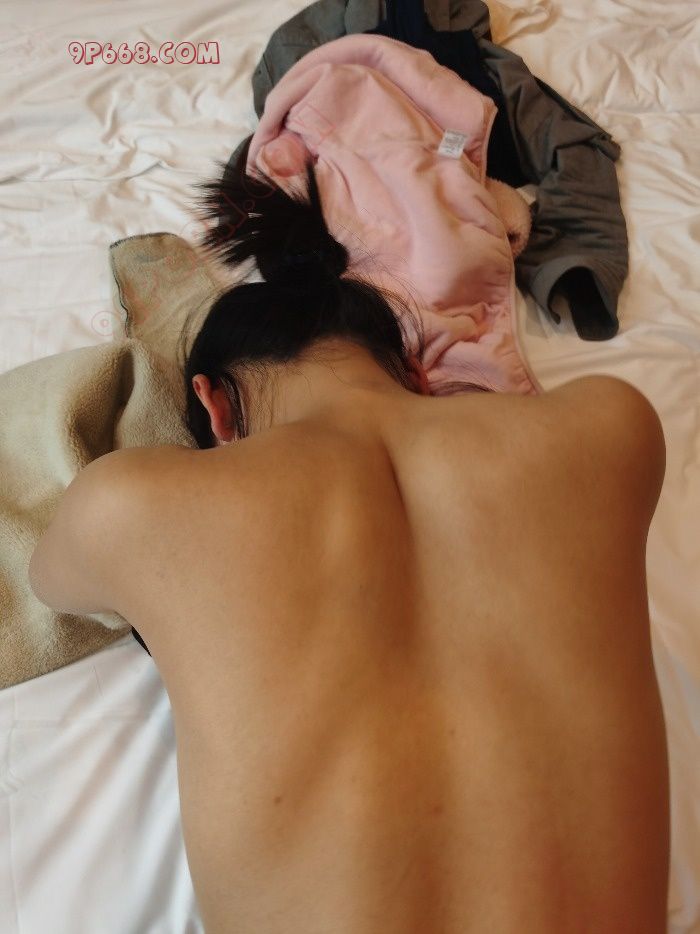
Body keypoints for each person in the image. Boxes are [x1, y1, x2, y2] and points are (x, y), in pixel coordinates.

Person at [30, 155, 670, 933]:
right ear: (417, 373)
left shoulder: (131, 505)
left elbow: (49, 581)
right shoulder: (610, 425)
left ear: (214, 407)